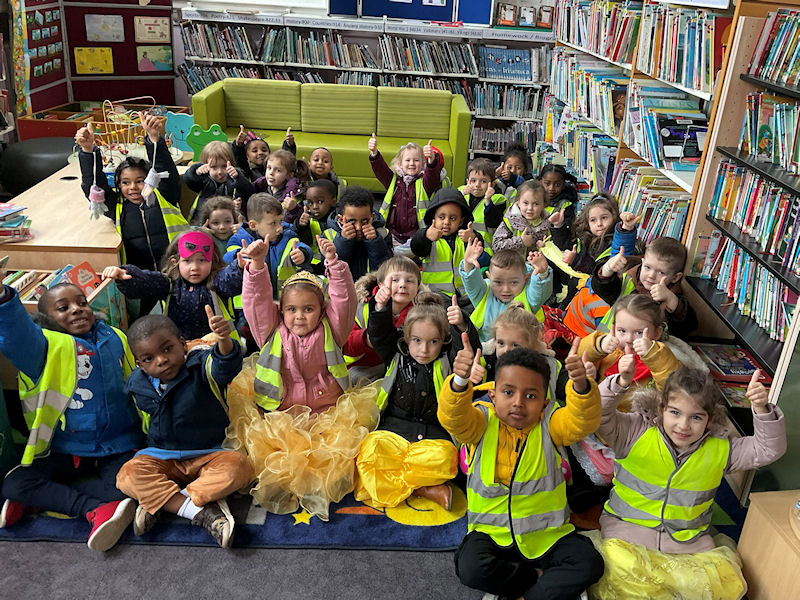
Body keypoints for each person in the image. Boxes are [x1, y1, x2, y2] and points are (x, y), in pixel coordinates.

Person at [589, 366, 786, 599]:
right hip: (627, 536)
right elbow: (595, 415)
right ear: (661, 408)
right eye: (674, 412)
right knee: (620, 575)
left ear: (709, 419)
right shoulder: (635, 430)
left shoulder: (722, 448)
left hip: (688, 545)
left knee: (720, 582)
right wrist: (620, 383)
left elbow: (768, 449)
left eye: (695, 417)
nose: (683, 425)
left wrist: (761, 409)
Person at [226, 236, 376, 520]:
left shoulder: (333, 329)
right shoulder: (270, 331)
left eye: (309, 309)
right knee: (273, 459)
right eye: (292, 309)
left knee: (335, 458)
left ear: (322, 311)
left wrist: (333, 263)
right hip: (280, 410)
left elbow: (345, 300)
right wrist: (258, 265)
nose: (299, 316)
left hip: (326, 409)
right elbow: (256, 302)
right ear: (280, 310)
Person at [439, 344, 605, 599]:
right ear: (493, 395)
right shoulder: (479, 421)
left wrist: (581, 387)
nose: (518, 403)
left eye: (530, 396)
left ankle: (527, 593)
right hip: (492, 535)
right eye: (508, 392)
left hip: (548, 536)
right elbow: (453, 418)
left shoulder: (552, 423)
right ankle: (537, 581)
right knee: (471, 567)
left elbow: (582, 421)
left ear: (545, 402)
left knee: (590, 562)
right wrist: (460, 382)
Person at [0, 279, 141, 552]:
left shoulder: (115, 336)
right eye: (63, 308)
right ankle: (91, 509)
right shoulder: (42, 348)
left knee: (130, 487)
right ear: (46, 319)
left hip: (117, 446)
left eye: (82, 303)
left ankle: (48, 497)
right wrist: (4, 298)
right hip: (65, 449)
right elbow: (16, 334)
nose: (77, 310)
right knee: (13, 483)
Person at [116, 311, 252, 549]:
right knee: (128, 475)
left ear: (183, 345)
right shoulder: (137, 384)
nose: (160, 360)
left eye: (167, 349)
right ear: (139, 364)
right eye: (148, 359)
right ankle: (200, 511)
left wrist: (224, 340)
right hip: (163, 456)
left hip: (210, 453)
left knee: (240, 467)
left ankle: (162, 502)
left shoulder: (200, 364)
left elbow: (224, 366)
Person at [355, 294, 480, 510]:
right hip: (394, 430)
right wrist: (381, 306)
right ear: (405, 339)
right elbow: (379, 333)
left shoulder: (447, 359)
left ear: (443, 340)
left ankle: (399, 483)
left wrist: (461, 324)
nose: (424, 350)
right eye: (417, 341)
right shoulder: (395, 353)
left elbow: (465, 350)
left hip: (434, 434)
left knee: (445, 459)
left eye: (433, 342)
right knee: (369, 452)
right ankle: (423, 488)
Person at [76, 113, 188, 273]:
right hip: (141, 279)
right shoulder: (117, 206)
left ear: (150, 179)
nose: (133, 187)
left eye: (140, 181)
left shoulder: (164, 196)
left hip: (176, 273)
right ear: (118, 185)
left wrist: (154, 138)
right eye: (125, 183)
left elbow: (165, 169)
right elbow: (94, 185)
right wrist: (88, 150)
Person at [102, 228, 243, 345]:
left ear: (212, 261)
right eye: (187, 261)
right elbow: (147, 281)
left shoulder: (216, 281)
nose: (195, 267)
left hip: (216, 348)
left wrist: (240, 266)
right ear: (175, 261)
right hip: (180, 350)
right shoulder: (169, 284)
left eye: (202, 260)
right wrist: (125, 274)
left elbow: (231, 279)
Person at [593, 234, 698, 339]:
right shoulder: (628, 280)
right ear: (642, 262)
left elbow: (688, 327)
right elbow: (604, 290)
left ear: (675, 277)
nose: (651, 276)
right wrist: (607, 269)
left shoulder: (672, 295)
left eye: (661, 272)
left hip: (646, 351)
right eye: (647, 267)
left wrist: (671, 300)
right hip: (610, 344)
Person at [460, 241, 552, 348]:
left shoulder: (528, 296)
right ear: (489, 277)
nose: (506, 289)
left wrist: (542, 273)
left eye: (514, 282)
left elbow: (540, 290)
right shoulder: (484, 293)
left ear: (525, 279)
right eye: (498, 282)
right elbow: (472, 282)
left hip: (522, 353)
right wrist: (468, 264)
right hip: (486, 354)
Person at [345, 256, 422, 381]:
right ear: (380, 284)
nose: (403, 284)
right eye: (395, 280)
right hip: (362, 366)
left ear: (418, 287)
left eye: (410, 281)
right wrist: (366, 339)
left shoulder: (421, 312)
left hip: (399, 366)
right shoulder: (360, 308)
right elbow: (346, 344)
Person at [224, 193, 311, 299]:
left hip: (284, 299)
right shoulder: (240, 239)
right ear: (253, 225)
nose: (279, 228)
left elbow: (303, 247)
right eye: (273, 223)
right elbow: (226, 259)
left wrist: (303, 254)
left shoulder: (287, 236)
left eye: (280, 221)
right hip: (252, 302)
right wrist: (238, 255)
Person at [559, 194, 624, 334]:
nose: (599, 224)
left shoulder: (611, 242)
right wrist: (558, 227)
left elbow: (598, 269)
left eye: (604, 218)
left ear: (614, 217)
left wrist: (576, 261)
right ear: (587, 223)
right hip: (580, 293)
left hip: (598, 298)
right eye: (593, 220)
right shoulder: (588, 238)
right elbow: (566, 244)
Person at [411, 188, 485, 303]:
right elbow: (416, 248)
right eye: (441, 217)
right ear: (433, 218)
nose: (446, 222)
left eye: (453, 218)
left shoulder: (463, 237)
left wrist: (474, 237)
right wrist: (425, 236)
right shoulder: (430, 239)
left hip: (464, 293)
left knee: (478, 306)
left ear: (461, 221)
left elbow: (479, 251)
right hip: (434, 294)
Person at [368, 134, 441, 247]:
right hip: (392, 233)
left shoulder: (424, 183)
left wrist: (431, 159)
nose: (412, 163)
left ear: (422, 164)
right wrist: (374, 153)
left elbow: (432, 176)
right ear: (399, 164)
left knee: (408, 255)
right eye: (408, 160)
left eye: (416, 160)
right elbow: (380, 169)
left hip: (415, 235)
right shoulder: (393, 180)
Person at [326, 185, 392, 281]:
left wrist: (374, 242)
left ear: (372, 217)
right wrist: (343, 241)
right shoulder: (330, 235)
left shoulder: (382, 234)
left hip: (372, 290)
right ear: (340, 219)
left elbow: (385, 269)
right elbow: (332, 272)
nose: (358, 227)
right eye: (352, 221)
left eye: (364, 220)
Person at [183, 141, 254, 224]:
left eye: (224, 166)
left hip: (230, 224)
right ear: (206, 166)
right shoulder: (204, 179)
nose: (220, 172)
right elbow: (189, 181)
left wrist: (238, 178)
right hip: (204, 222)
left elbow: (250, 192)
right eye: (214, 167)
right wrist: (196, 171)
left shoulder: (234, 177)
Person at [459, 158, 507, 254]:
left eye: (483, 181)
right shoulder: (461, 193)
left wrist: (488, 200)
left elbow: (493, 222)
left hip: (485, 250)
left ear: (492, 184)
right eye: (473, 180)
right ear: (467, 181)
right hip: (461, 248)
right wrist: (461, 194)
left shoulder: (498, 199)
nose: (477, 185)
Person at [492, 180, 551, 256]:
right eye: (526, 203)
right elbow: (496, 246)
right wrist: (520, 241)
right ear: (518, 202)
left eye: (535, 204)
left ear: (544, 205)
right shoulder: (510, 221)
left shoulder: (547, 223)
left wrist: (543, 247)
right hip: (512, 265)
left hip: (536, 265)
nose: (530, 208)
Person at [295, 179, 339, 274]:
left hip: (334, 262)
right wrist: (302, 227)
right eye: (310, 203)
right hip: (312, 264)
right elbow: (303, 242)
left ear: (333, 201)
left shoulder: (339, 220)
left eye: (320, 202)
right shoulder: (308, 219)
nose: (314, 207)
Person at [254, 149, 309, 224]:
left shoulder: (293, 196)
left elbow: (296, 224)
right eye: (269, 168)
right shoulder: (259, 188)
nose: (271, 173)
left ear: (289, 175)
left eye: (278, 170)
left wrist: (293, 209)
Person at [231, 125, 295, 182]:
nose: (260, 153)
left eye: (264, 150)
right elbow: (240, 160)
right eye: (255, 151)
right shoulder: (248, 172)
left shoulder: (274, 170)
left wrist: (289, 145)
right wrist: (238, 146)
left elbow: (284, 160)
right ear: (247, 157)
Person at [538, 163, 579, 228]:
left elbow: (567, 229)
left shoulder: (566, 205)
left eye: (557, 185)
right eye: (547, 184)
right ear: (540, 182)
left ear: (563, 185)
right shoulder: (533, 199)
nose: (551, 188)